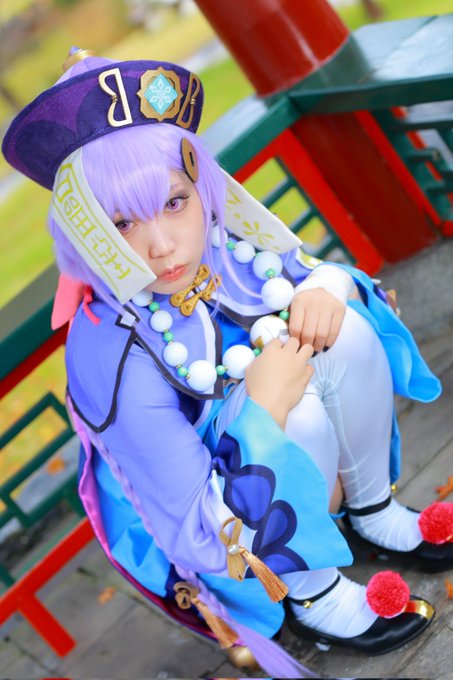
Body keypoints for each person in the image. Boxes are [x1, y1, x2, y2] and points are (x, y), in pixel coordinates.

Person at [3, 47, 452, 676]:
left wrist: (327, 288)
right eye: (122, 224)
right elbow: (190, 523)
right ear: (86, 232)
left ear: (201, 187)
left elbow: (320, 274)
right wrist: (263, 410)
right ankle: (314, 593)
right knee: (292, 409)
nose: (163, 247)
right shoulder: (105, 349)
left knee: (343, 331)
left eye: (175, 202)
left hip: (311, 469)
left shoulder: (226, 248)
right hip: (230, 537)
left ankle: (373, 509)